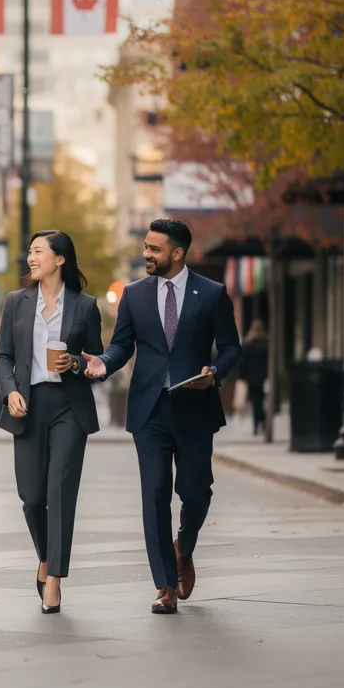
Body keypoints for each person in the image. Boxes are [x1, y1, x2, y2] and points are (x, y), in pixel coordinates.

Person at [82, 219, 240, 615]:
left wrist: (214, 373)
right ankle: (165, 585)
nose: (146, 254)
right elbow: (121, 346)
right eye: (146, 247)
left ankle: (183, 548)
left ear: (177, 253)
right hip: (149, 410)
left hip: (195, 407)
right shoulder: (134, 294)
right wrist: (103, 363)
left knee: (197, 491)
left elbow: (232, 348)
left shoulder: (213, 294)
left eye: (154, 248)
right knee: (154, 495)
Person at [0, 231, 104, 615]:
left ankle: (54, 579)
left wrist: (74, 362)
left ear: (60, 259)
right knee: (32, 499)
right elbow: (3, 356)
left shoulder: (86, 306)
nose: (30, 258)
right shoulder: (15, 303)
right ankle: (45, 556)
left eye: (38, 251)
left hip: (69, 407)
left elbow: (96, 360)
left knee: (60, 495)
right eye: (29, 252)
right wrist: (9, 392)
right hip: (27, 404)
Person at [240, 319, 269, 435]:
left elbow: (244, 361)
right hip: (262, 377)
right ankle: (261, 420)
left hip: (251, 377)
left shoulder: (249, 343)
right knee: (260, 400)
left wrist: (242, 376)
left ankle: (257, 422)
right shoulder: (266, 343)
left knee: (254, 400)